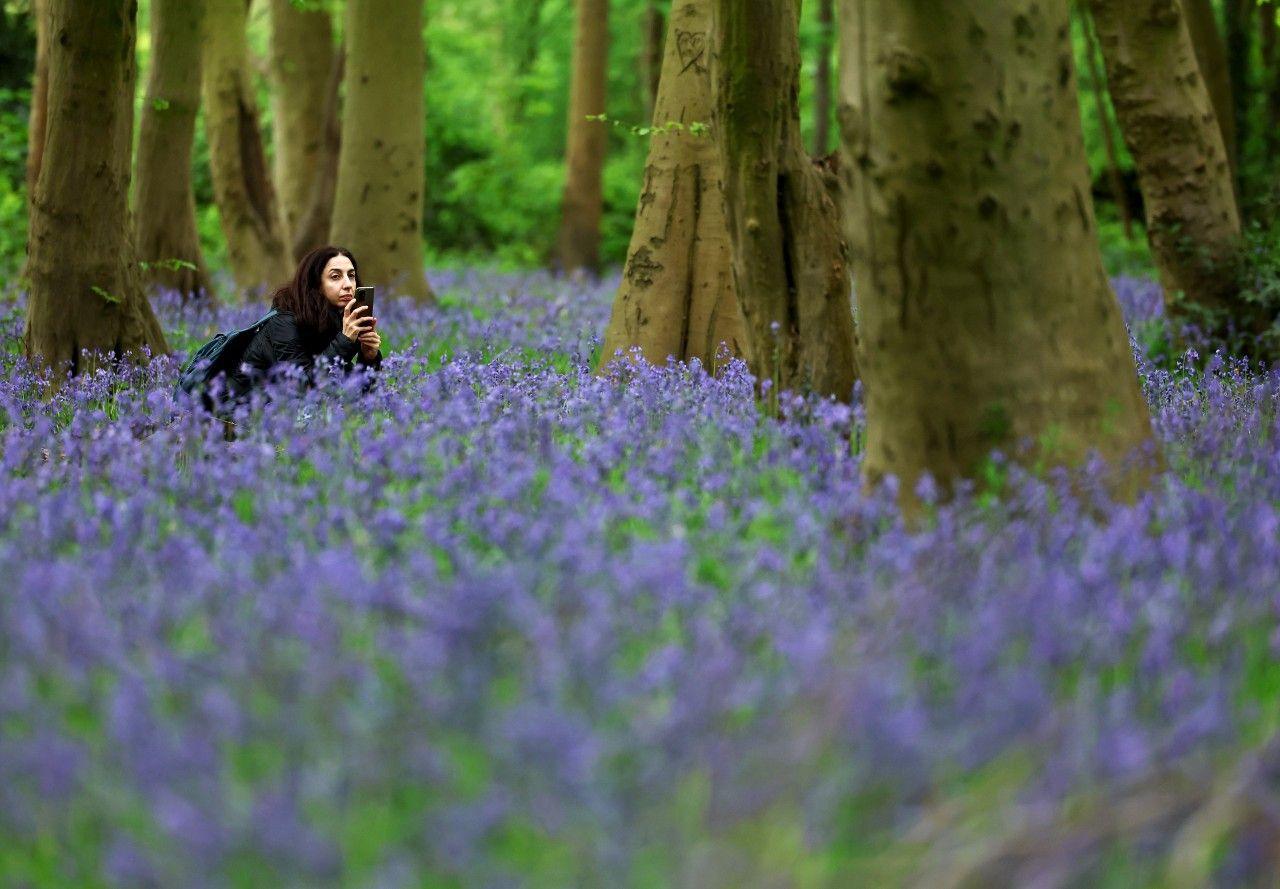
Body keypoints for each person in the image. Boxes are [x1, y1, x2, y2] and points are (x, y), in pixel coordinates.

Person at [225, 245, 383, 405]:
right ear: (316, 283)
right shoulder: (284, 322)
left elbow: (358, 394)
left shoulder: (336, 318)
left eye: (351, 276)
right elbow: (301, 388)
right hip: (239, 417)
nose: (348, 284)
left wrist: (369, 357)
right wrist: (344, 341)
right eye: (335, 277)